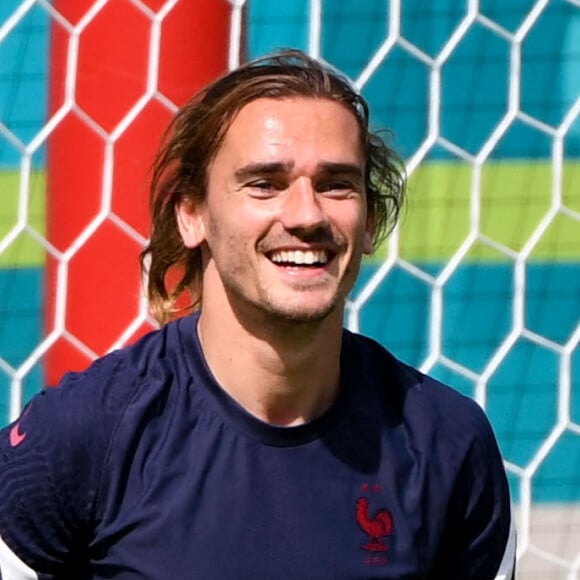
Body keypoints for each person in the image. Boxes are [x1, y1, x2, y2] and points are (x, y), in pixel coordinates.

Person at [0, 50, 515, 579]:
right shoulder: (86, 434)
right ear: (192, 214)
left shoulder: (447, 444)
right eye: (265, 183)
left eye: (336, 183)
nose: (306, 215)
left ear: (369, 220)